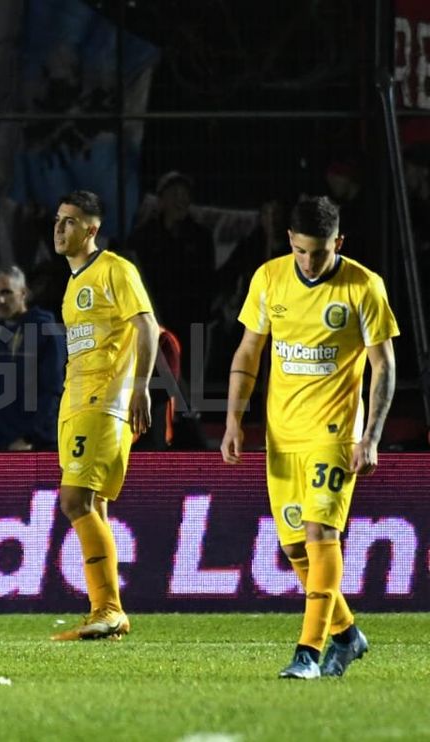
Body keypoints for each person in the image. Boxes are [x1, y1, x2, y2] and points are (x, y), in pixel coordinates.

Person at [221, 196, 398, 679]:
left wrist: (373, 434)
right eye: (301, 251)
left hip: (335, 432)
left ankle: (307, 653)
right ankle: (346, 634)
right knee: (297, 548)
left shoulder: (363, 286)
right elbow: (248, 353)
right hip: (282, 435)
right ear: (290, 242)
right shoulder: (269, 278)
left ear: (338, 243)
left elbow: (383, 365)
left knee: (322, 534)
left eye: (318, 253)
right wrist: (235, 419)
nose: (309, 262)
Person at [50, 190, 159, 641]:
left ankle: (108, 608)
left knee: (74, 501)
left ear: (91, 230)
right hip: (76, 401)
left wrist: (140, 387)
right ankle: (106, 612)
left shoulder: (115, 270)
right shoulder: (74, 282)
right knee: (93, 505)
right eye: (58, 219)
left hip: (102, 401)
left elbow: (147, 325)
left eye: (70, 222)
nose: (59, 228)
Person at [0, 265, 64, 451]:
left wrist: (30, 438)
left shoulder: (45, 330)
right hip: (0, 443)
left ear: (23, 293)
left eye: (6, 292)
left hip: (34, 446)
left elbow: (54, 390)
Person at [125, 171, 214, 344]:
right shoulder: (143, 237)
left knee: (193, 370)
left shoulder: (201, 237)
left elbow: (207, 280)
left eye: (185, 194)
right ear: (161, 200)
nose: (180, 200)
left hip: (193, 324)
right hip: (155, 321)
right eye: (174, 194)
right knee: (157, 369)